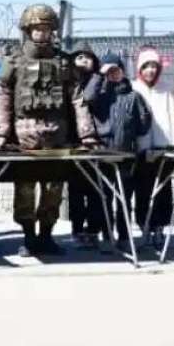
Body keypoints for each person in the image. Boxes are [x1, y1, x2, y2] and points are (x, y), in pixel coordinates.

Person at [0, 4, 97, 257]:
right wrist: (1, 134)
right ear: (28, 30)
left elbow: (77, 99)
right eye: (37, 28)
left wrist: (87, 134)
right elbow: (2, 96)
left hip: (56, 137)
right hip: (24, 139)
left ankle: (46, 236)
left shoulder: (62, 61)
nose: (42, 33)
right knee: (24, 190)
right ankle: (28, 237)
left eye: (47, 28)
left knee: (53, 189)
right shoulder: (14, 61)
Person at [86, 53, 152, 251]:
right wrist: (99, 74)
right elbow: (87, 97)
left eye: (117, 70)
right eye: (110, 71)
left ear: (124, 72)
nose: (114, 74)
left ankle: (124, 235)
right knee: (103, 197)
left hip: (126, 154)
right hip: (103, 153)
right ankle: (107, 234)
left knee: (125, 197)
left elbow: (144, 123)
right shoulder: (100, 96)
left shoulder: (133, 96)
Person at [133, 46, 174, 248]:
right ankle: (144, 226)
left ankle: (159, 228)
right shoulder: (133, 89)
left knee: (164, 191)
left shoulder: (166, 90)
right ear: (139, 69)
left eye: (154, 66)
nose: (150, 71)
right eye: (146, 67)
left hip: (163, 149)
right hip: (142, 151)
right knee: (143, 190)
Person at [69, 49, 106, 249]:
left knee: (95, 189)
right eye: (79, 57)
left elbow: (88, 98)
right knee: (75, 190)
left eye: (88, 57)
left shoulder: (98, 80)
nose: (83, 61)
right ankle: (77, 228)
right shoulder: (68, 80)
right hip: (74, 142)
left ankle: (93, 230)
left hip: (95, 141)